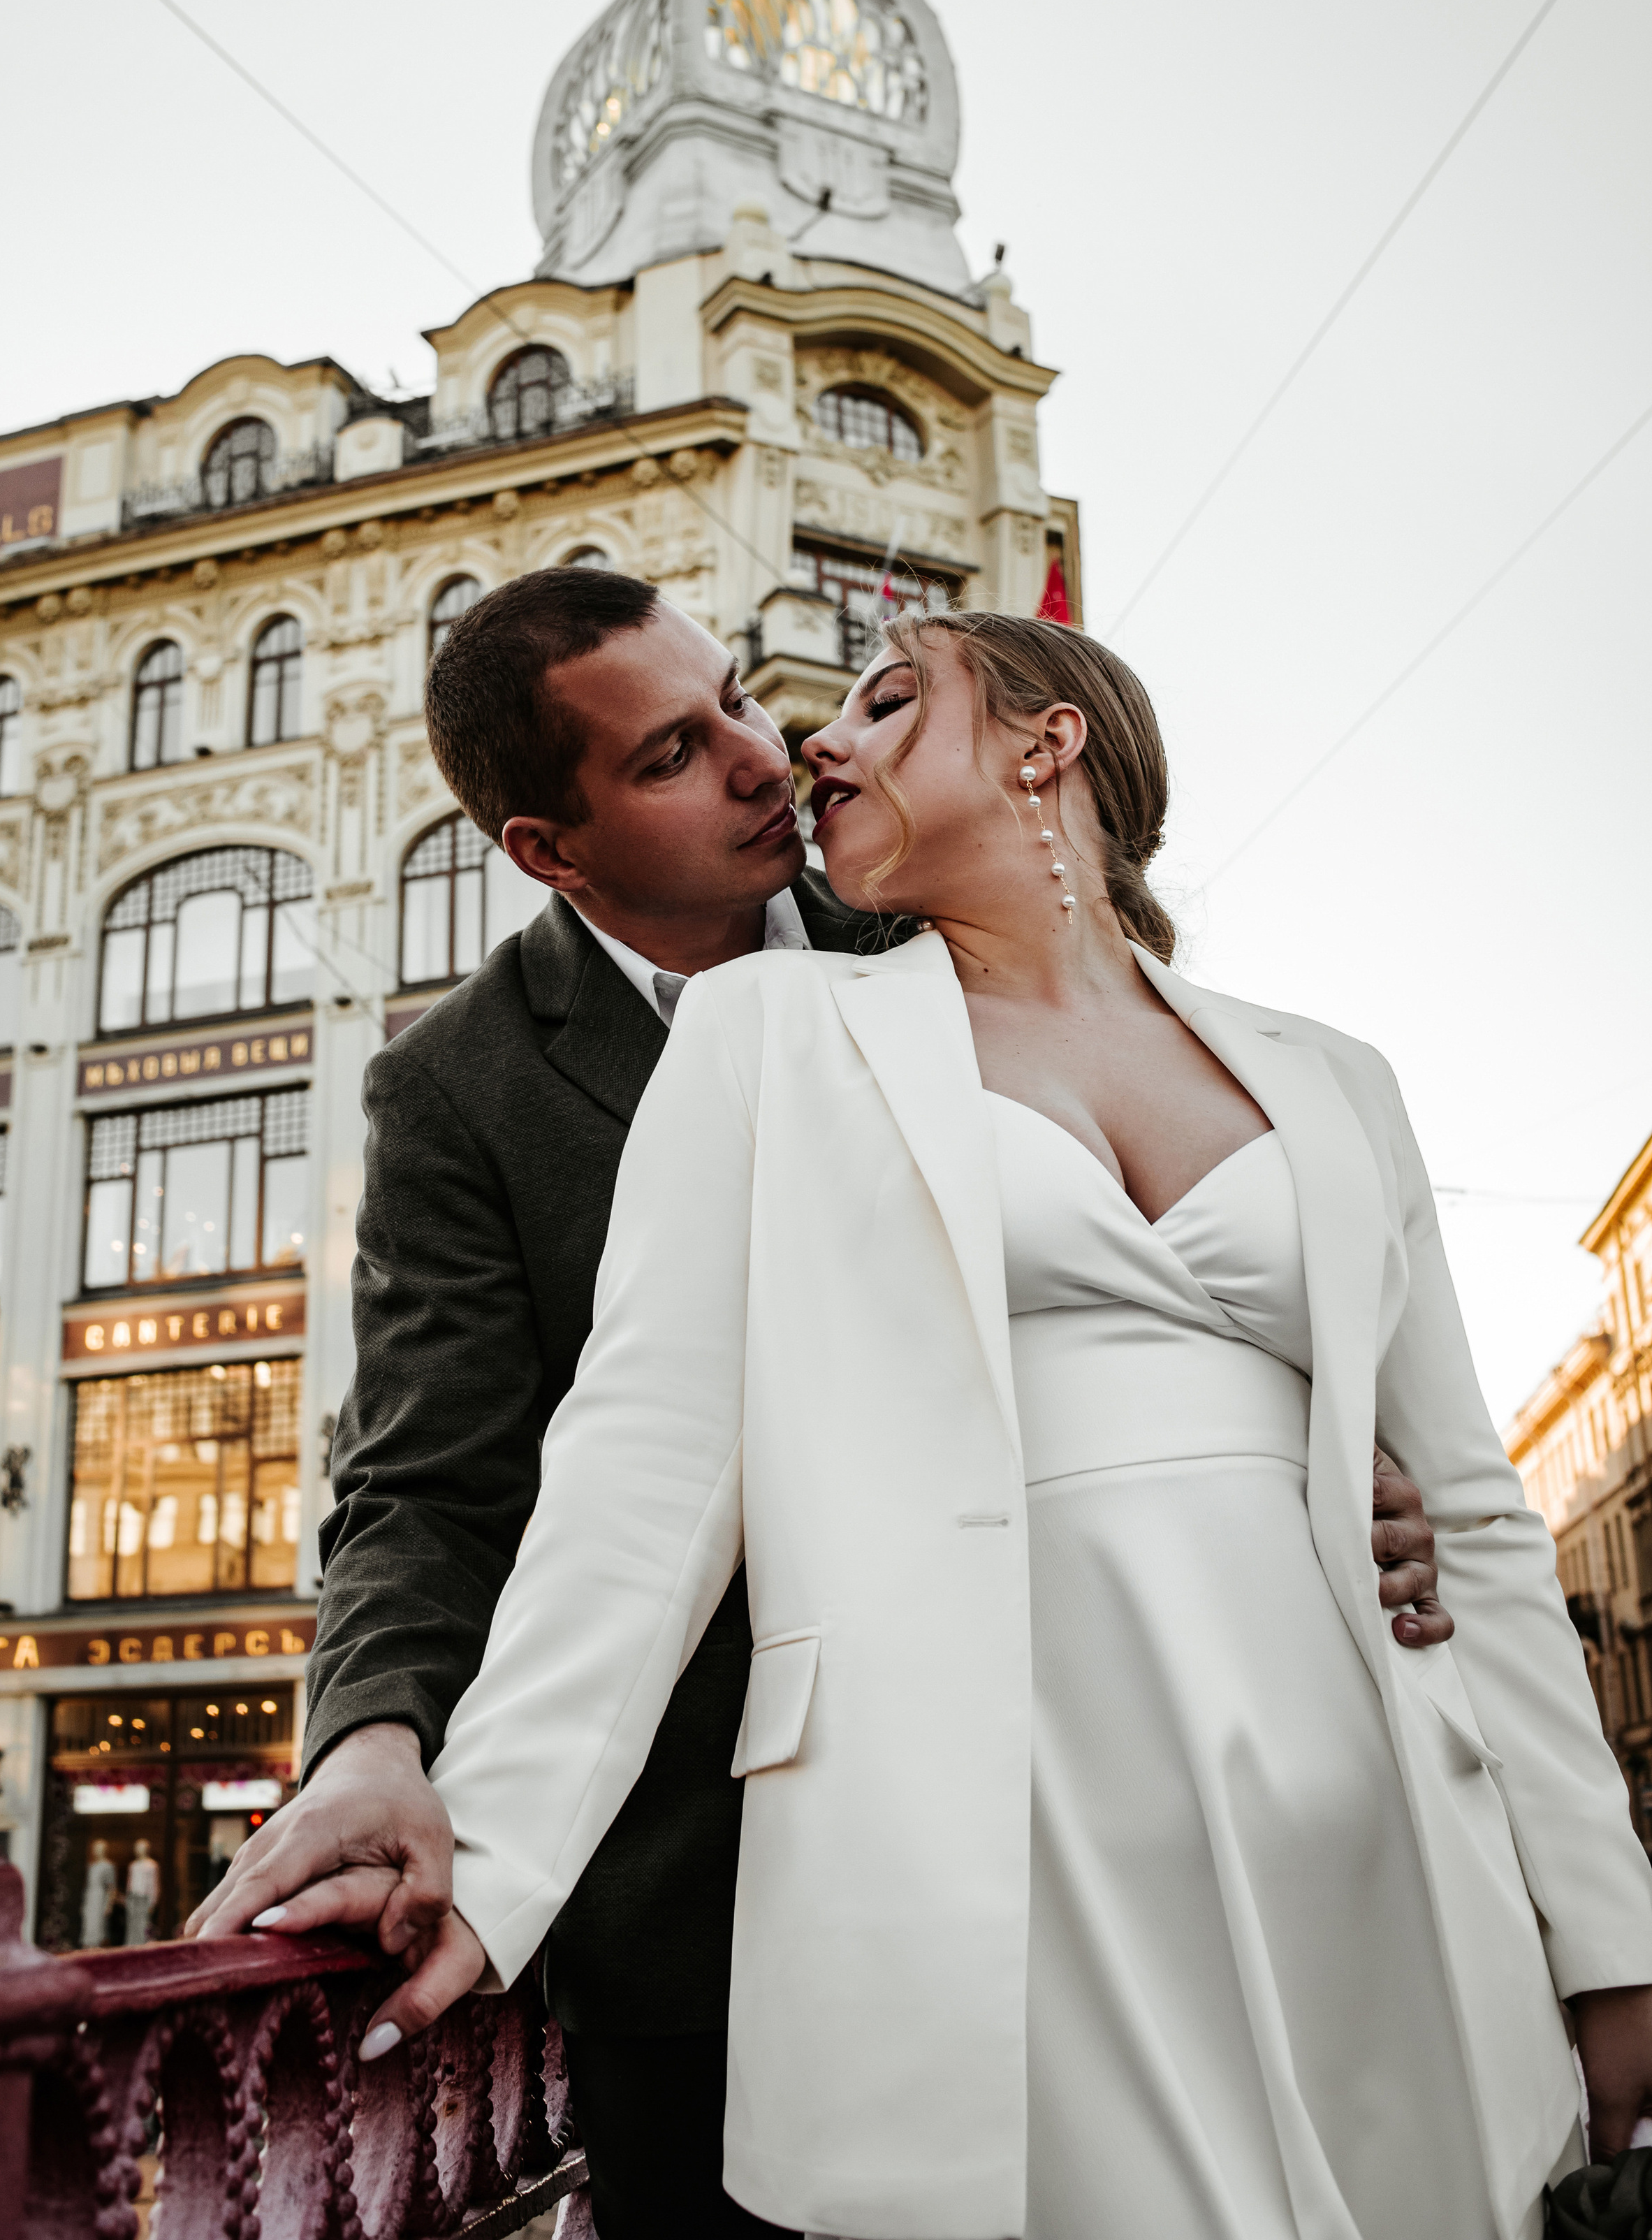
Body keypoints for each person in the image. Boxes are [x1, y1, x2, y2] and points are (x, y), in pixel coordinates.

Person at [189, 576, 1456, 2239]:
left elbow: (1186, 1213)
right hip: (695, 1895)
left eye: (734, 696)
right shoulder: (462, 1089)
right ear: (547, 852)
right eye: (670, 753)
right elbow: (433, 1479)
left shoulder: (931, 911)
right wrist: (374, 1741)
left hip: (1146, 1788)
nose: (763, 752)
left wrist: (1300, 1425)